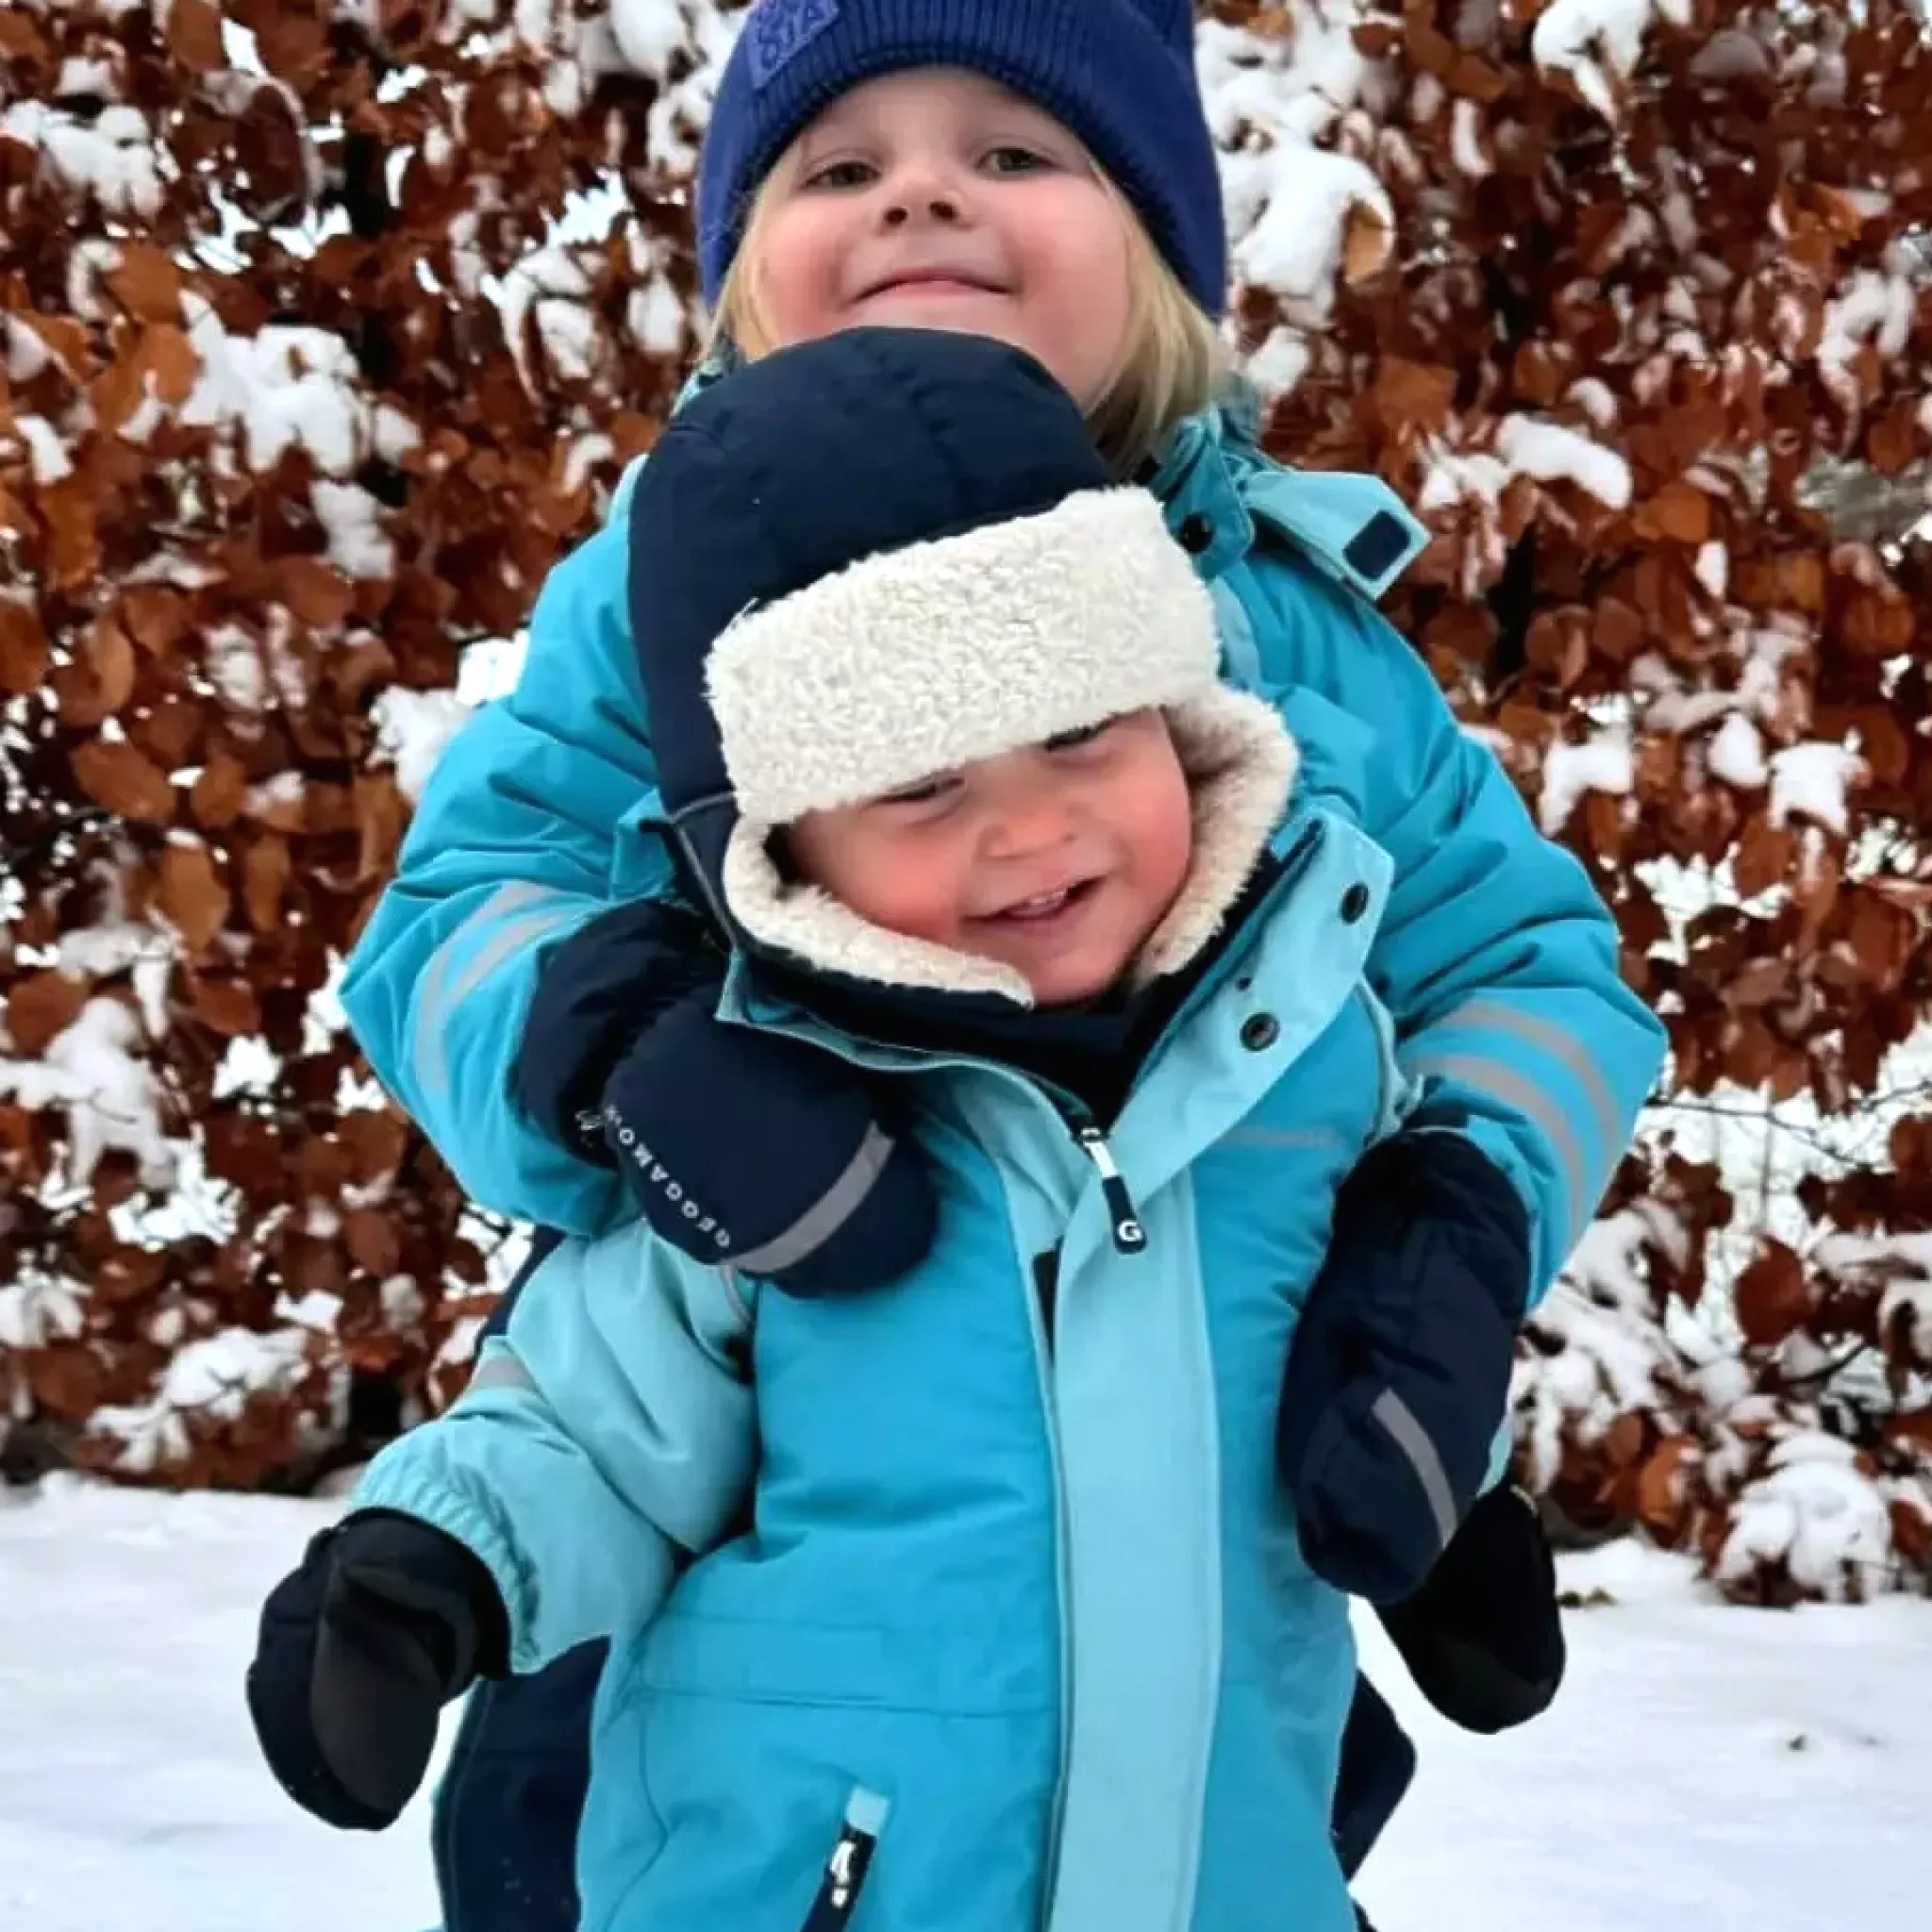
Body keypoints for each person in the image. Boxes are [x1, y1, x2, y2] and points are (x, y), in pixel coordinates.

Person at [330, 3, 1662, 1921]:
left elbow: (1530, 969)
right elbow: (464, 904)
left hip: (1196, 1524)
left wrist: (1444, 1218)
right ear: (742, 286)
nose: (923, 195)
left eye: (1016, 154)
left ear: (1162, 264)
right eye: (840, 166)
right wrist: (626, 1048)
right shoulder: (669, 590)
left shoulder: (1295, 641)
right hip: (742, 1460)